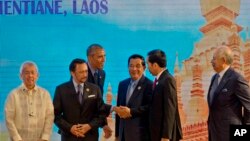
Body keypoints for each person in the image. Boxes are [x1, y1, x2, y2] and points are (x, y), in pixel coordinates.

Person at [53, 58, 107, 141]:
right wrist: (70, 128)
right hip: (69, 137)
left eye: (86, 71)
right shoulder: (61, 90)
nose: (85, 75)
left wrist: (89, 126)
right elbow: (55, 115)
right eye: (81, 72)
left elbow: (101, 114)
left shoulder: (95, 89)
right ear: (72, 73)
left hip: (90, 137)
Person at [207, 46, 250, 141]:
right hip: (214, 134)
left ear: (223, 60)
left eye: (214, 58)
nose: (211, 61)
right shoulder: (214, 78)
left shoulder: (236, 79)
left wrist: (243, 129)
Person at [5, 61, 54, 141]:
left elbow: (50, 117)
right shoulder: (13, 95)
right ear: (21, 76)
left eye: (32, 72)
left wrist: (45, 137)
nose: (30, 75)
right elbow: (9, 119)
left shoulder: (45, 94)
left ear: (37, 75)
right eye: (27, 73)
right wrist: (17, 139)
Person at [147, 49, 183, 141]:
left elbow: (170, 109)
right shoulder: (159, 80)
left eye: (148, 65)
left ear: (155, 65)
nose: (147, 68)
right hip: (156, 133)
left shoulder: (168, 80)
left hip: (164, 136)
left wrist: (166, 136)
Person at [115, 54, 152, 141]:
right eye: (131, 66)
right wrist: (117, 135)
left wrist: (131, 111)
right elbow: (118, 111)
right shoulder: (122, 84)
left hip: (140, 136)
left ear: (144, 68)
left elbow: (150, 108)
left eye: (138, 66)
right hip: (123, 135)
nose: (134, 69)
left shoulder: (149, 85)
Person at [86, 43, 112, 138]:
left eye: (104, 56)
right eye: (100, 57)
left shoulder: (101, 73)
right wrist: (112, 108)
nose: (104, 60)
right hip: (77, 127)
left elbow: (99, 100)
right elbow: (87, 102)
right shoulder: (80, 71)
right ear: (90, 57)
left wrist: (104, 124)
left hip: (93, 126)